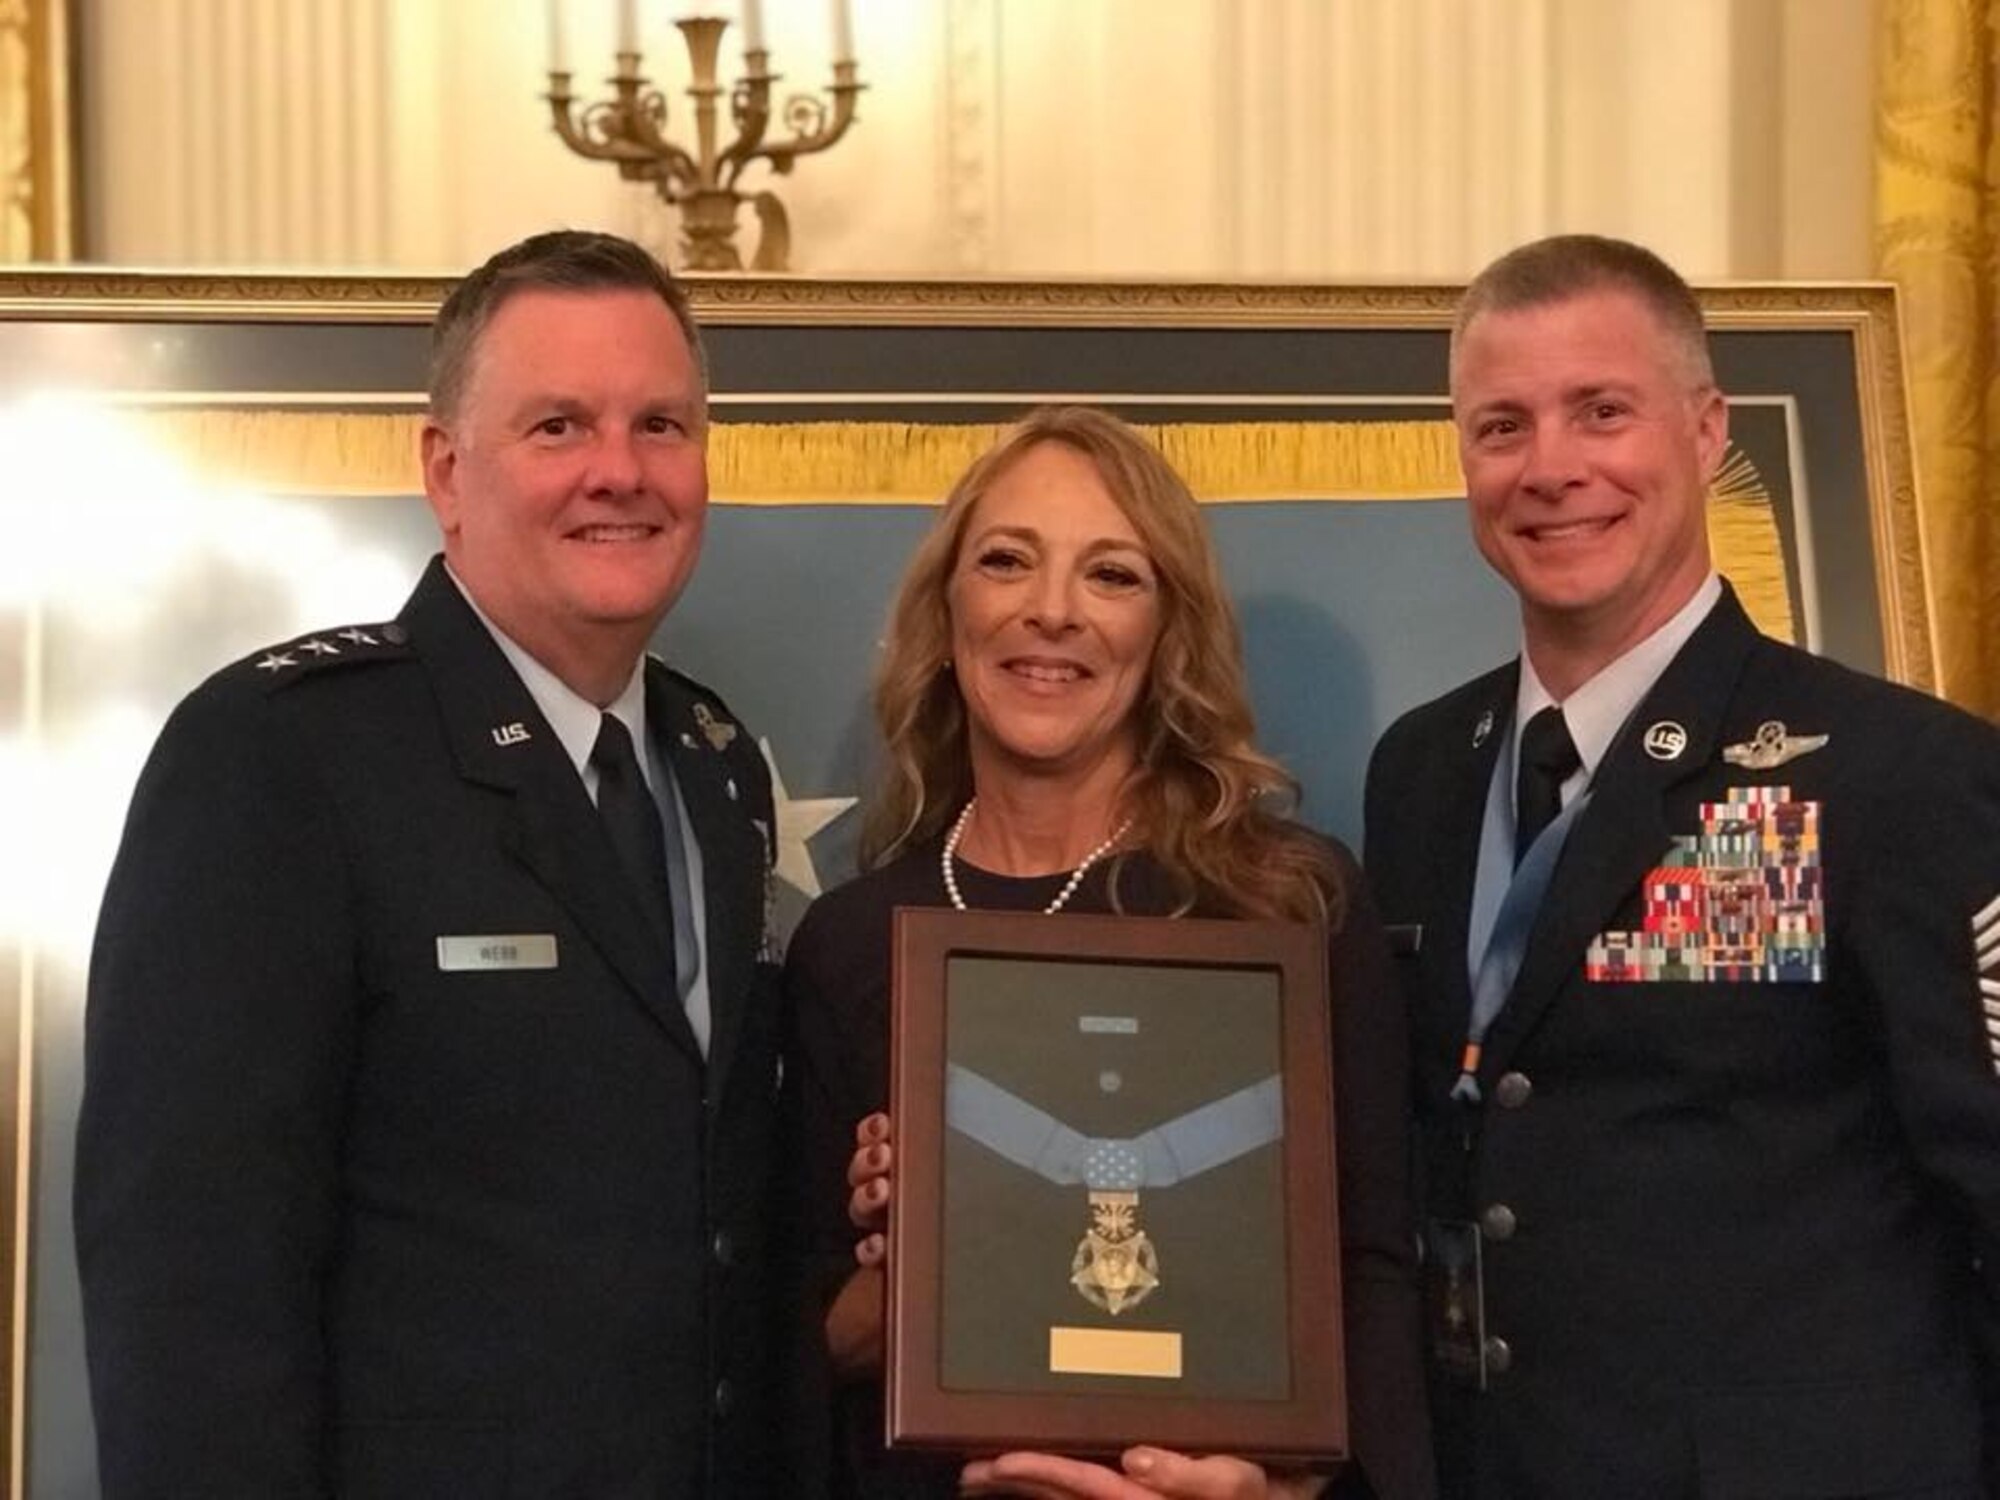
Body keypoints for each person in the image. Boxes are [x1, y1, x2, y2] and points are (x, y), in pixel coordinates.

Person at [75, 230, 786, 1498]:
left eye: (661, 426)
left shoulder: (715, 766)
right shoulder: (280, 758)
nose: (618, 473)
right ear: (445, 470)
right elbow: (190, 1282)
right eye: (558, 426)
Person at [1363, 233, 2000, 1497]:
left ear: (1707, 432)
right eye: (1500, 427)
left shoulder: (1895, 775)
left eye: (1600, 412)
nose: (1550, 469)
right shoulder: (1422, 772)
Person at [785, 406, 1436, 1500]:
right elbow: (799, 1345)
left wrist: (1288, 1490)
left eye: (1111, 576)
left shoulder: (1286, 903)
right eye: (1005, 563)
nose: (1051, 613)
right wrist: (921, 1252)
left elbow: (1367, 1271)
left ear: (1165, 628)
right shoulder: (847, 941)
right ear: (948, 614)